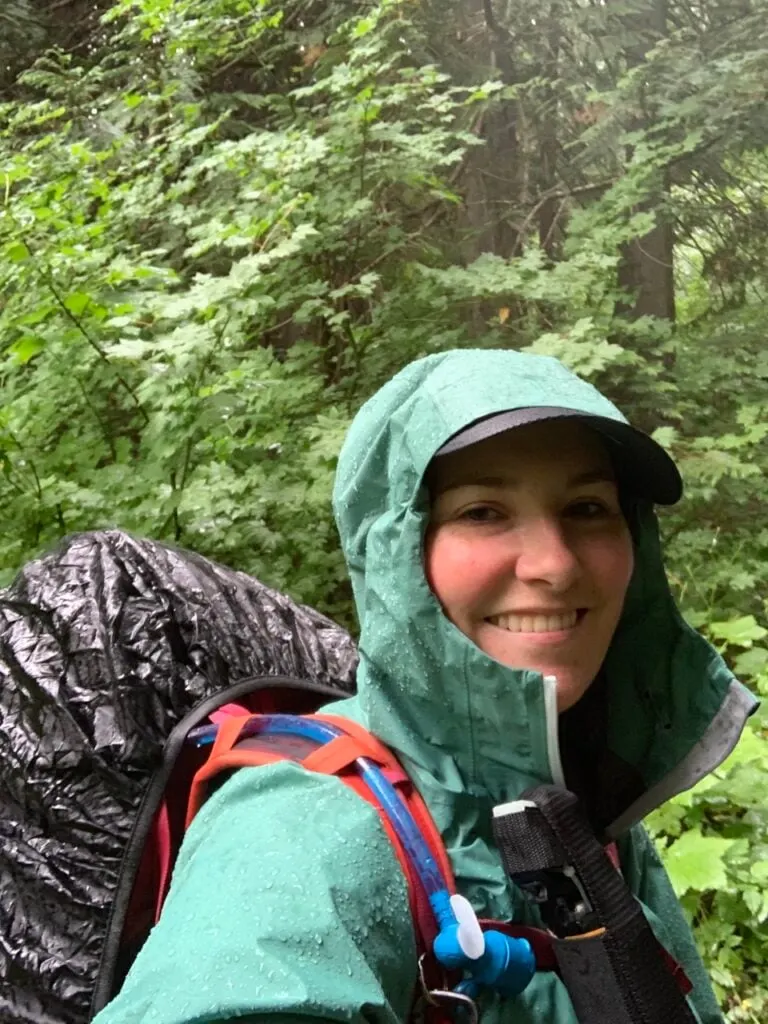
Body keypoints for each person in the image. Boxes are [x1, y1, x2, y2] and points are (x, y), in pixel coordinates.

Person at [92, 348, 755, 1024]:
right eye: (483, 512)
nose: (555, 563)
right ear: (396, 554)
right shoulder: (302, 828)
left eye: (588, 507)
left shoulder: (594, 804)